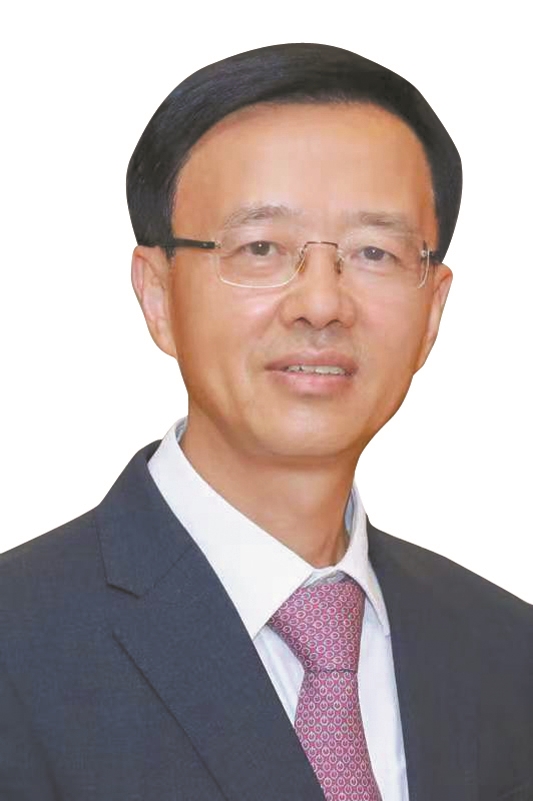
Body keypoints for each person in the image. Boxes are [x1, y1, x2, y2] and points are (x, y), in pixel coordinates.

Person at [0, 42, 531, 801]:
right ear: (157, 295)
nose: (321, 303)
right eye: (260, 247)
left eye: (374, 252)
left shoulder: (507, 652)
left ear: (433, 309)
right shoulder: (18, 645)